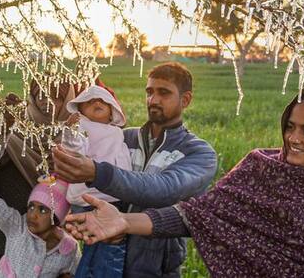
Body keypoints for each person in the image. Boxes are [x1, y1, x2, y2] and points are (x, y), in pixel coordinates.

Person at [65, 84, 304, 278]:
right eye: (290, 126)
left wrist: (100, 174)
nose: (293, 138)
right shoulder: (261, 171)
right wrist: (124, 220)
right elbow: (197, 214)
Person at [53, 62, 218, 277]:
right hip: (105, 252)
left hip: (155, 269)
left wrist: (97, 173)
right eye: (149, 92)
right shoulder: (121, 138)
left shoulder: (199, 153)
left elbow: (164, 189)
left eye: (164, 93)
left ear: (185, 100)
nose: (153, 100)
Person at [0, 77, 117, 277]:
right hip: (5, 248)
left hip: (51, 259)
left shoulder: (76, 139)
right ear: (31, 99)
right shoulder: (13, 132)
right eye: (40, 95)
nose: (47, 102)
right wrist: (3, 127)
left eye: (57, 97)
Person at [63, 84, 131, 278]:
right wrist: (70, 132)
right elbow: (75, 150)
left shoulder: (116, 132)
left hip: (113, 197)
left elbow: (122, 158)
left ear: (112, 112)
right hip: (89, 198)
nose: (96, 102)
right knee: (108, 250)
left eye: (103, 101)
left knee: (97, 250)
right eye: (89, 102)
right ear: (81, 112)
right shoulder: (83, 128)